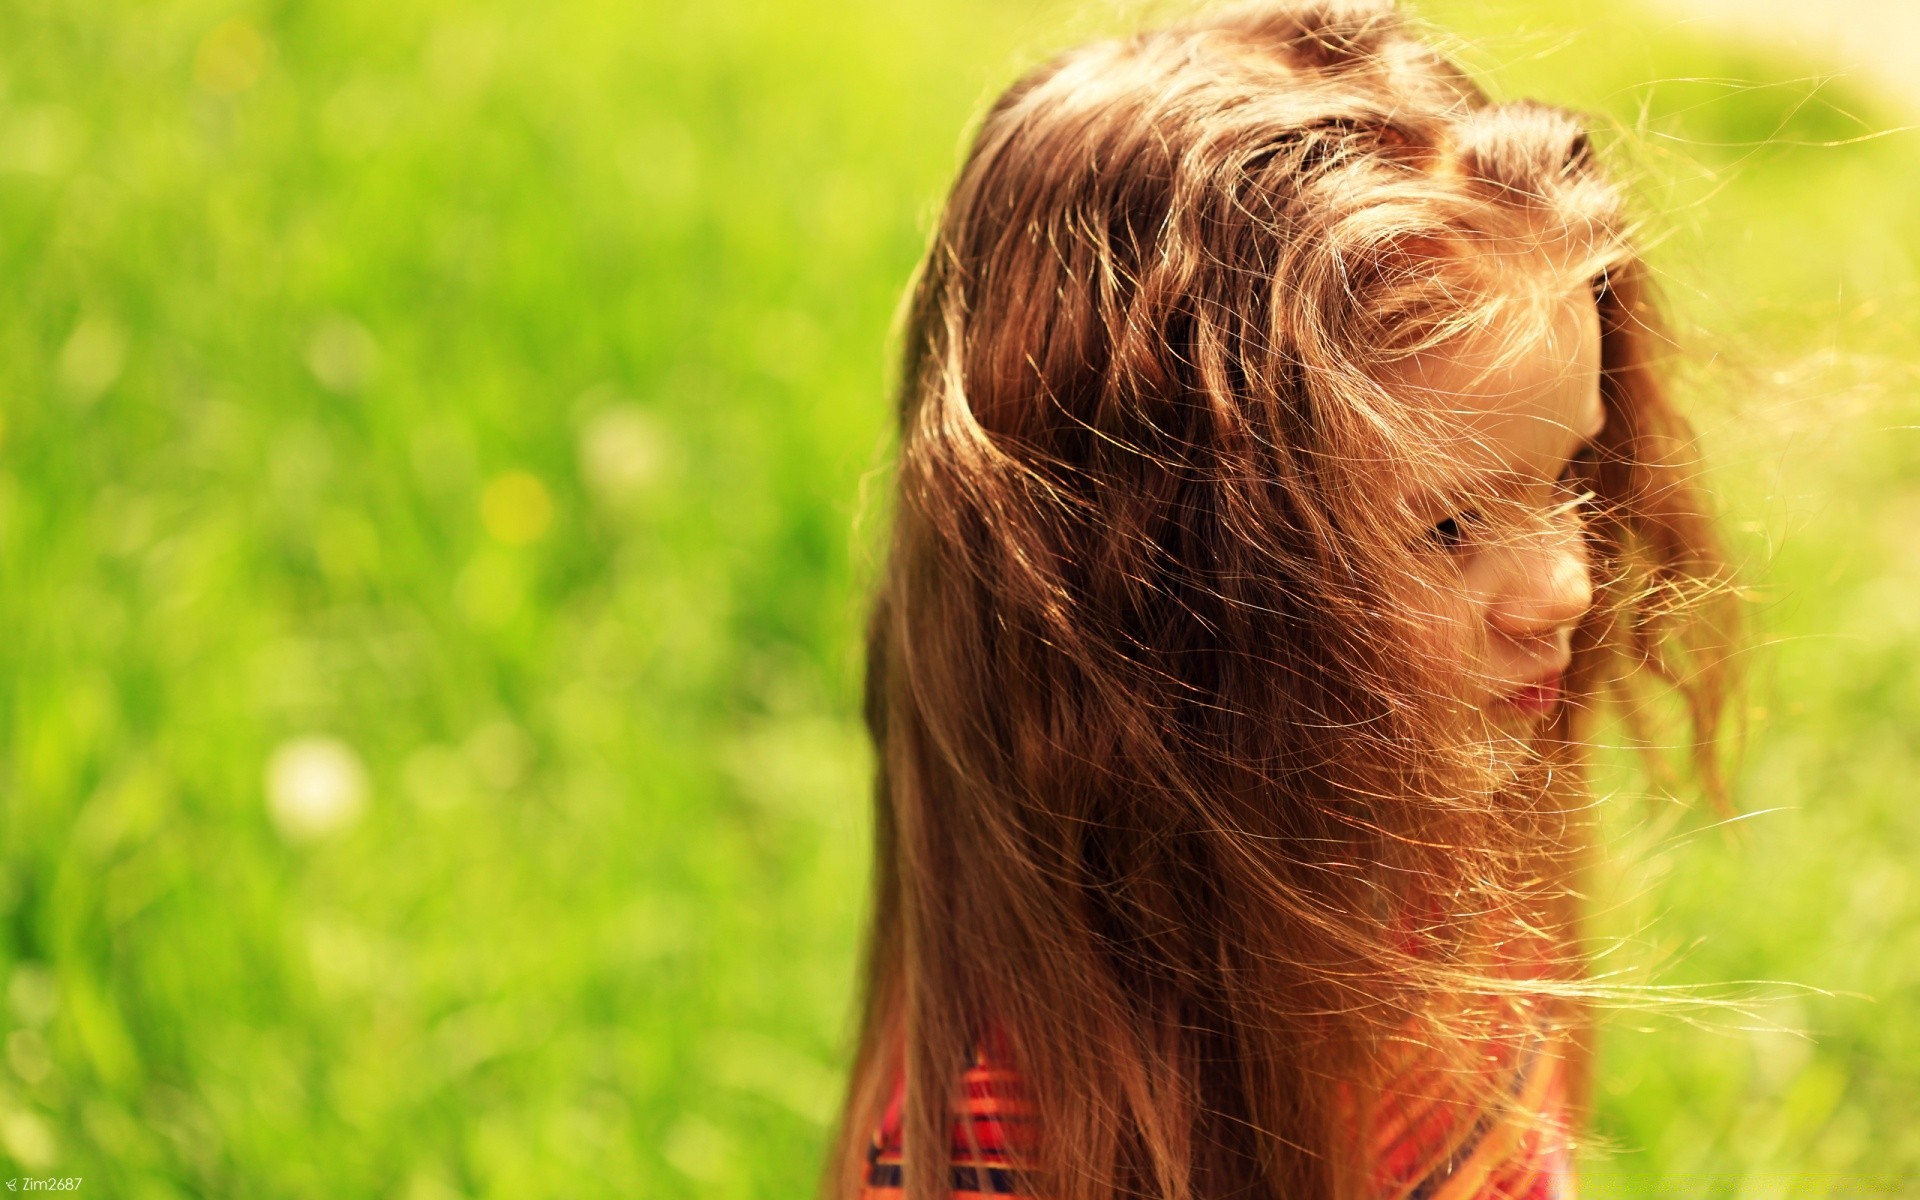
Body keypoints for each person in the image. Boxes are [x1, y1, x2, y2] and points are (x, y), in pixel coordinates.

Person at [829, 2, 1738, 1197]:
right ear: (1164, 597)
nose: (1566, 583)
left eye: (1566, 473)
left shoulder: (1421, 860)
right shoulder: (1028, 1141)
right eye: (1450, 525)